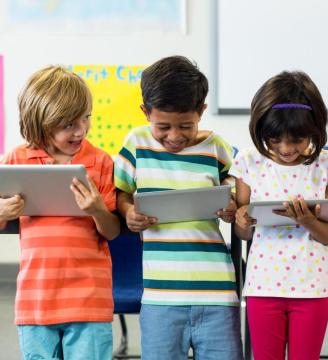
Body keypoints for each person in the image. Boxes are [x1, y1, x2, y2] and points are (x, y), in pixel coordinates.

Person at [113, 56, 242, 360]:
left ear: (201, 112)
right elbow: (121, 193)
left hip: (217, 291)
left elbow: (234, 192)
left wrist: (231, 206)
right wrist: (128, 212)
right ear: (146, 112)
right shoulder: (136, 144)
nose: (174, 136)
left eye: (186, 125)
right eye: (163, 126)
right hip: (160, 294)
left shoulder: (217, 147)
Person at [0, 66, 120, 360]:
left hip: (89, 300)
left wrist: (97, 210)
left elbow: (112, 231)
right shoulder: (17, 159)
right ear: (40, 123)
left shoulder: (101, 161)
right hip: (36, 300)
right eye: (68, 124)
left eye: (86, 117)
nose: (81, 129)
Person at [231, 70, 328, 360]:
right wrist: (242, 220)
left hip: (312, 286)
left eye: (298, 140)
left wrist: (307, 220)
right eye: (274, 139)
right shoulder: (248, 161)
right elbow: (243, 233)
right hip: (263, 285)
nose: (286, 149)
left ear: (315, 128)